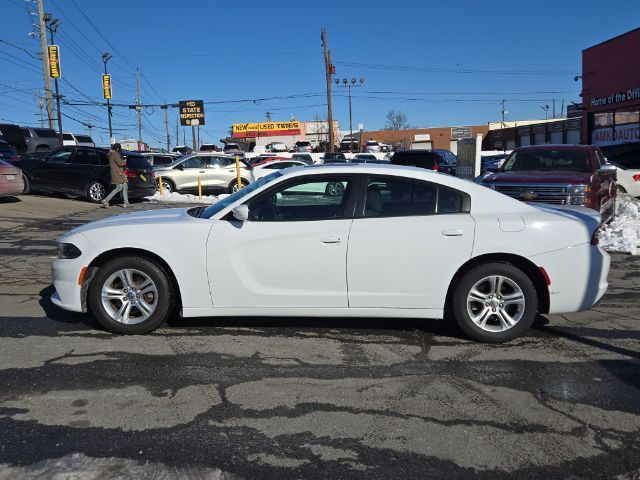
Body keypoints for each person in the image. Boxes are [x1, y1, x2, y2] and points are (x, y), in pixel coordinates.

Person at [102, 143, 129, 208]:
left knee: (123, 186)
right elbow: (120, 163)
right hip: (118, 173)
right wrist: (124, 161)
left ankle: (126, 202)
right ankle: (106, 200)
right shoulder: (115, 153)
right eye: (119, 149)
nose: (119, 150)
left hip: (116, 172)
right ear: (117, 148)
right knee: (120, 187)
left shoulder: (111, 153)